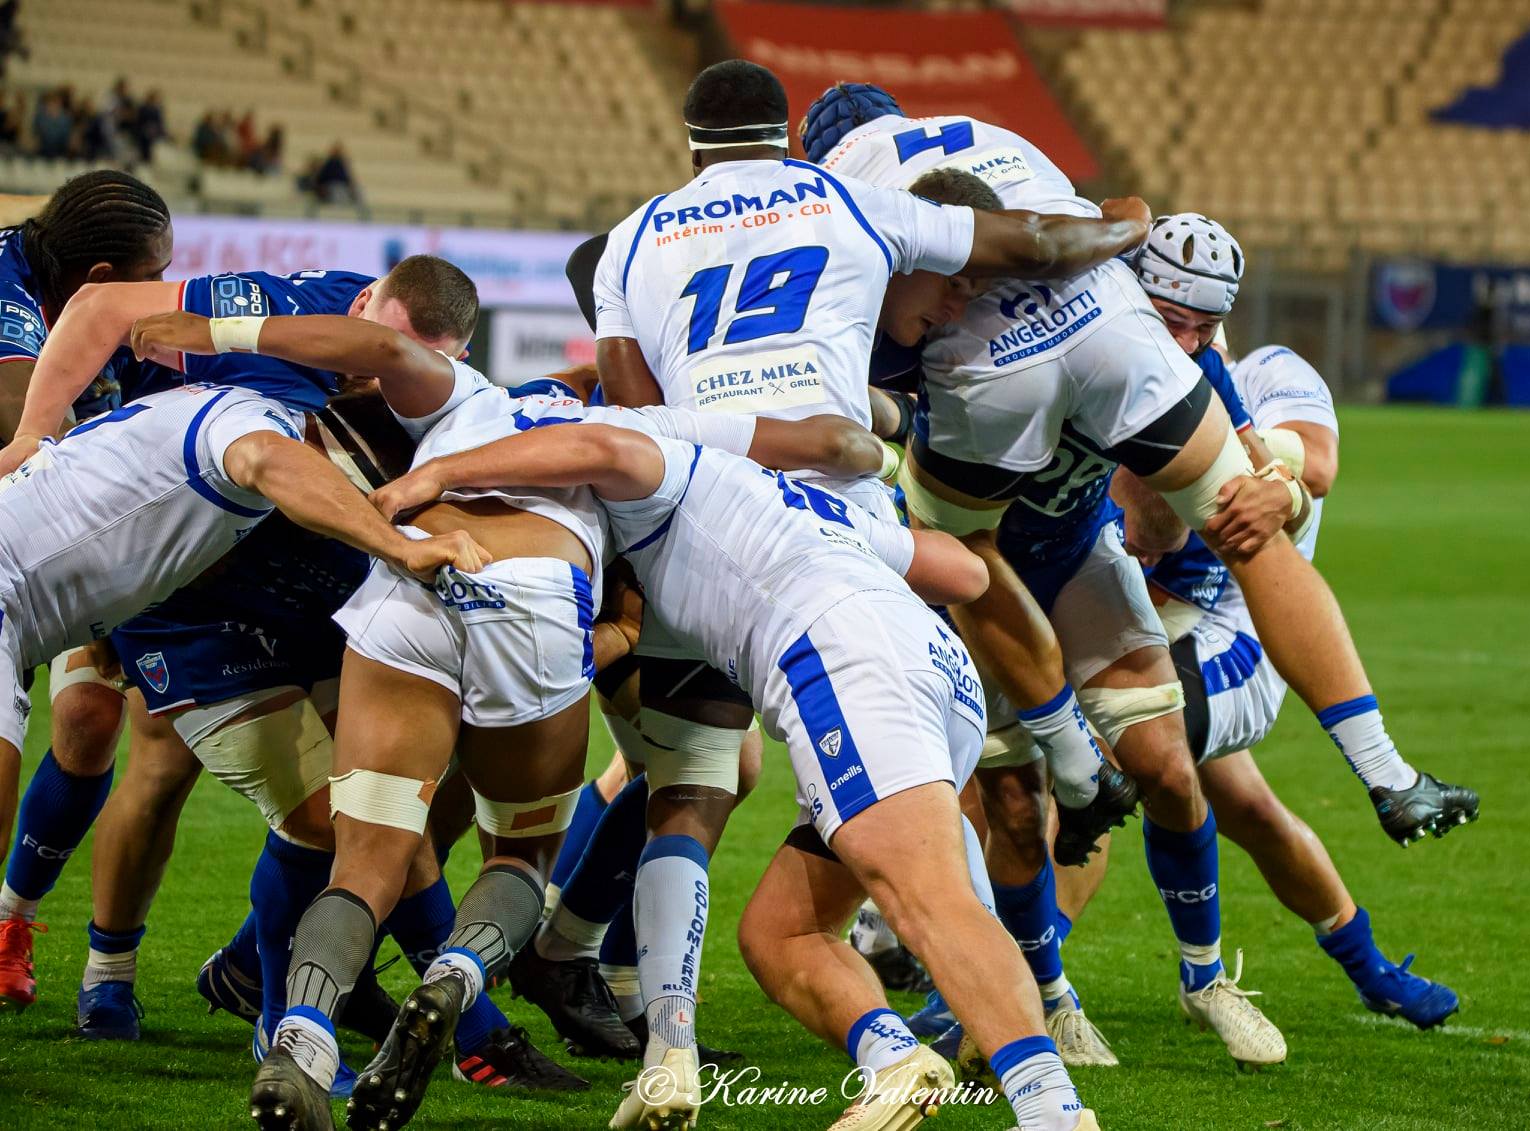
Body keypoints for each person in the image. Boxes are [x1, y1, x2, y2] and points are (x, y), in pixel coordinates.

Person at [120, 305, 897, 1131]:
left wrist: (214, 331)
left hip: (408, 593)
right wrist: (881, 433)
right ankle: (454, 975)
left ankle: (303, 1036)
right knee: (522, 852)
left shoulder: (468, 396)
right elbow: (831, 445)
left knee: (365, 860)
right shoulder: (640, 421)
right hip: (533, 598)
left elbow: (382, 347)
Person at [536, 56, 1148, 1096]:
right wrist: (1123, 226)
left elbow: (633, 405)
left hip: (696, 526)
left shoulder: (634, 236)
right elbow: (1032, 244)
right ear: (786, 137)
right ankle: (1034, 1067)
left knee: (691, 777)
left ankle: (648, 1027)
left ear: (689, 141)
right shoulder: (849, 201)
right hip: (832, 537)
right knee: (899, 811)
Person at [362, 399, 1101, 1131]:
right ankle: (893, 1060)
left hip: (844, 657)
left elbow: (610, 452)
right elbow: (964, 572)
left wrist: (431, 477)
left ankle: (1053, 1114)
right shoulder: (791, 500)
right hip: (938, 672)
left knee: (927, 898)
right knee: (783, 933)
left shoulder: (662, 466)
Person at [806, 88, 1294, 1067]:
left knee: (1160, 761)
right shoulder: (876, 286)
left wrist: (1274, 477)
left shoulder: (1063, 288)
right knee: (1017, 807)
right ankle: (1048, 994)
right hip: (969, 576)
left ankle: (1204, 979)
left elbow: (1233, 443)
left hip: (1068, 546)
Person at [0, 255, 489, 1012]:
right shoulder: (264, 367)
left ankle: (283, 972)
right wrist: (34, 432)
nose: (381, 380)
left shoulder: (390, 371)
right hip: (133, 564)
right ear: (360, 307)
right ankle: (68, 949)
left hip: (211, 563)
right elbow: (104, 309)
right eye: (379, 355)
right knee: (107, 731)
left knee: (383, 780)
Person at [1121, 339, 1461, 1030]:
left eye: (1196, 323)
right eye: (1165, 319)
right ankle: (1370, 969)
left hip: (1235, 639)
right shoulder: (1113, 374)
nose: (1180, 337)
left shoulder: (1269, 371)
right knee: (1252, 813)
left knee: (1106, 762)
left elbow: (1319, 459)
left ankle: (1029, 987)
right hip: (1145, 631)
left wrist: (1269, 472)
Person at [0, 171, 175, 1012]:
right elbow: (20, 423)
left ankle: (13, 921)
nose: (163, 285)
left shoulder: (111, 314)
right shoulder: (9, 286)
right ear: (101, 279)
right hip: (19, 523)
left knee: (89, 715)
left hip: (59, 535)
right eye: (155, 270)